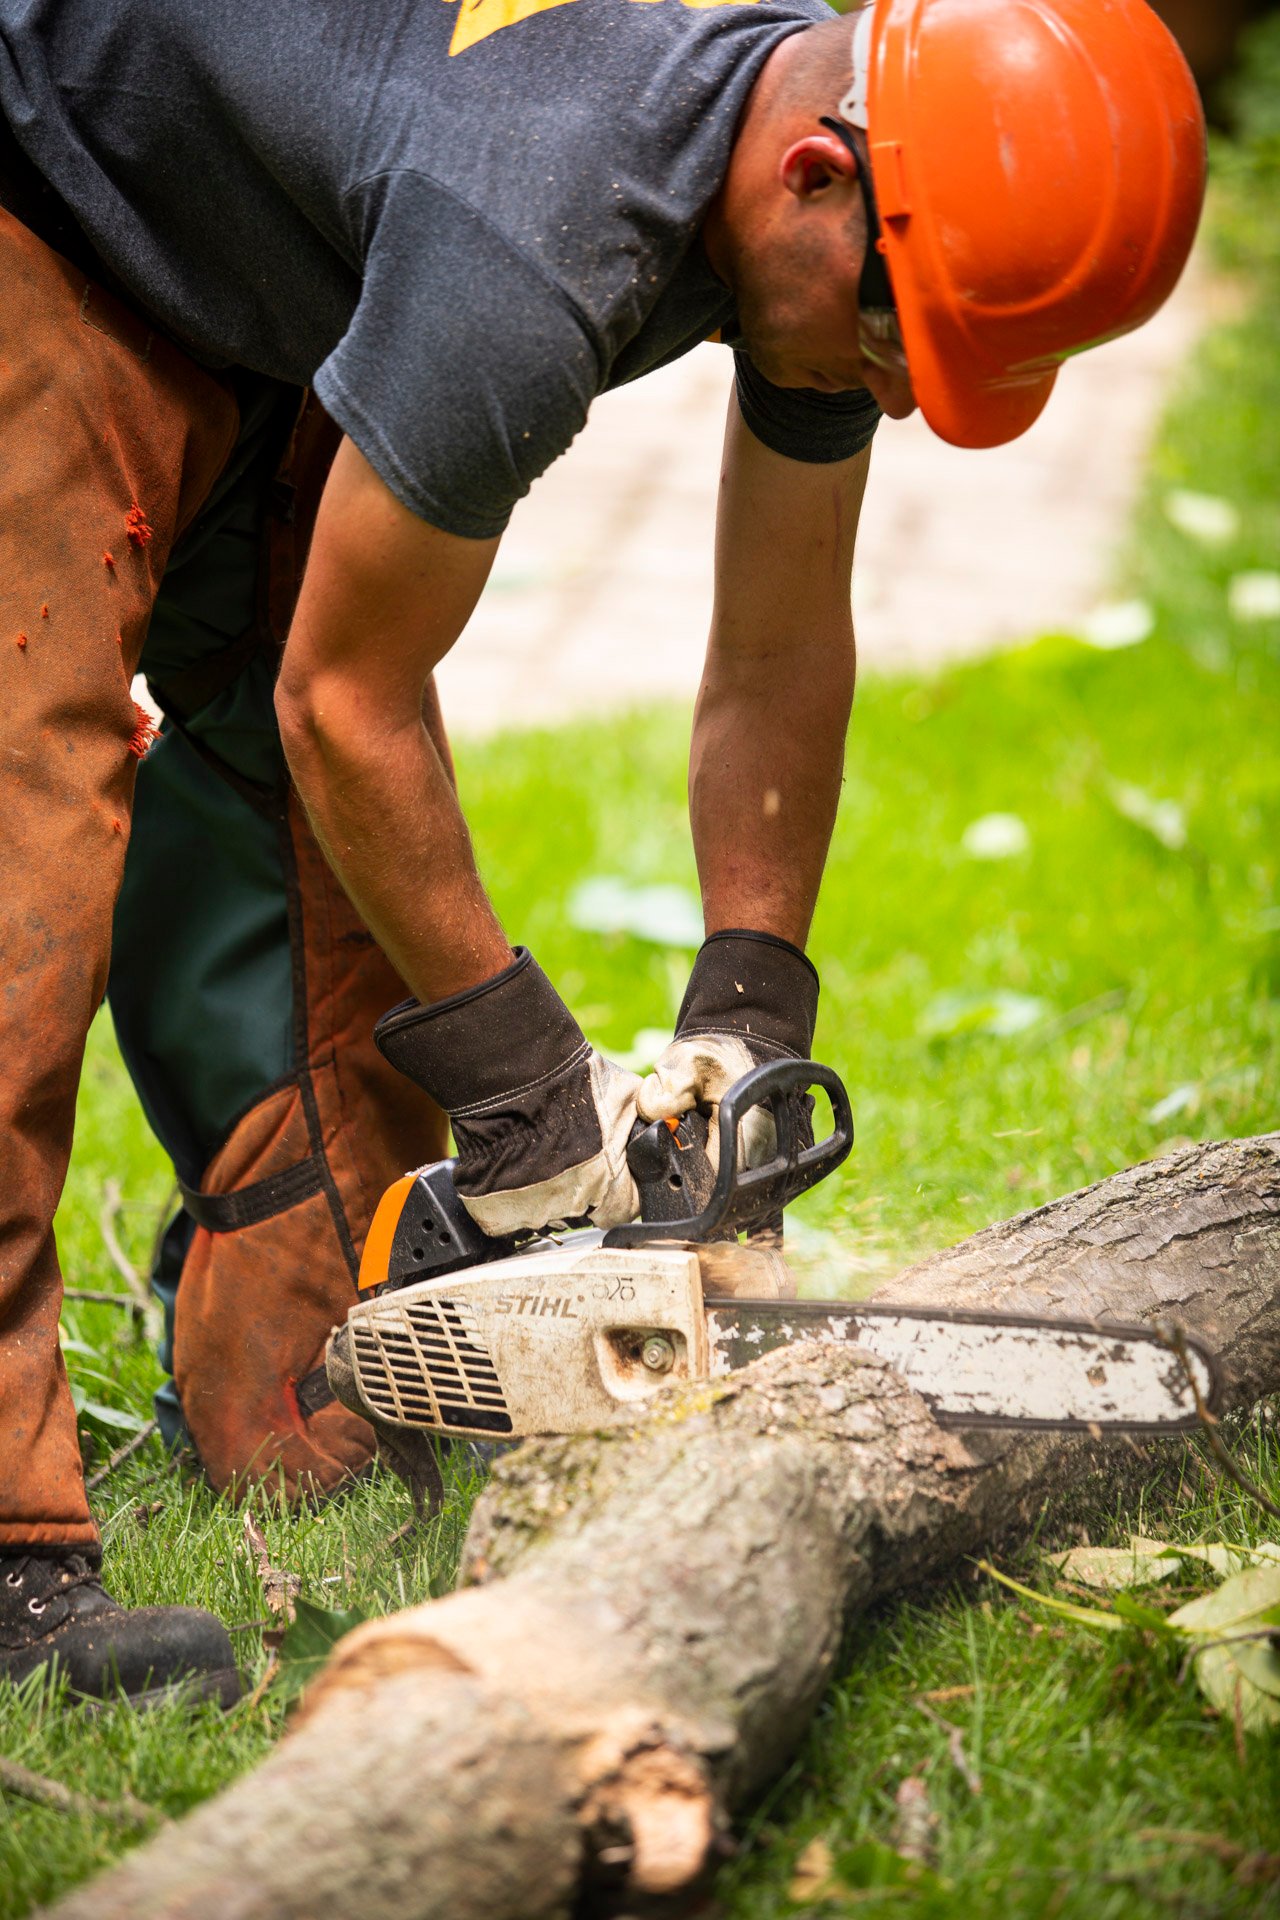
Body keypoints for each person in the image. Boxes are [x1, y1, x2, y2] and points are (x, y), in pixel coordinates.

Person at [0, 0, 1203, 1702]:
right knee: (21, 859)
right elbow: (347, 700)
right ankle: (9, 1560)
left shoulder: (830, 220)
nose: (898, 401)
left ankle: (270, 1319)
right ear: (814, 177)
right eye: (895, 350)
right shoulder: (539, 228)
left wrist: (745, 1018)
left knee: (326, 1353)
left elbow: (779, 645)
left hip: (296, 272)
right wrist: (533, 1096)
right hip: (52, 195)